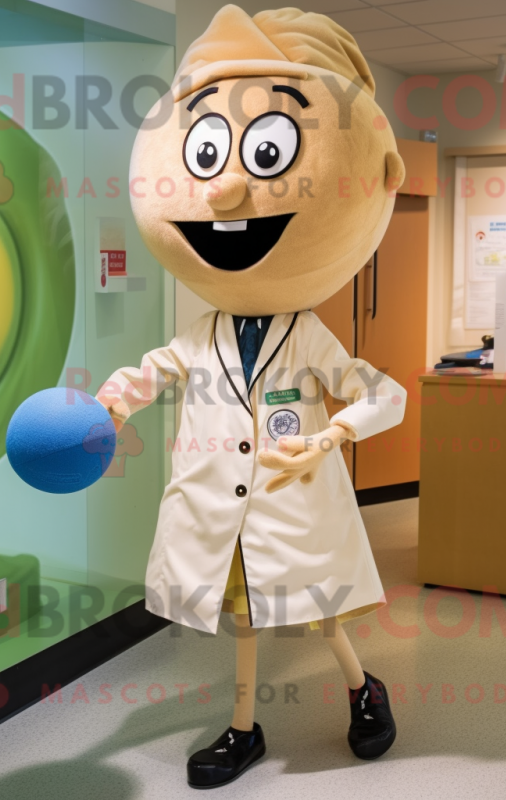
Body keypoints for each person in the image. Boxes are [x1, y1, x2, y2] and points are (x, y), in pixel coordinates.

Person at [97, 5, 408, 789]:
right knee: (242, 621)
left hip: (293, 503)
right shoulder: (202, 332)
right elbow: (155, 368)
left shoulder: (307, 335)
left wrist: (332, 436)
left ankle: (361, 687)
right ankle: (244, 729)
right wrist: (112, 403)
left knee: (319, 613)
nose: (230, 187)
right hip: (220, 508)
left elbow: (380, 392)